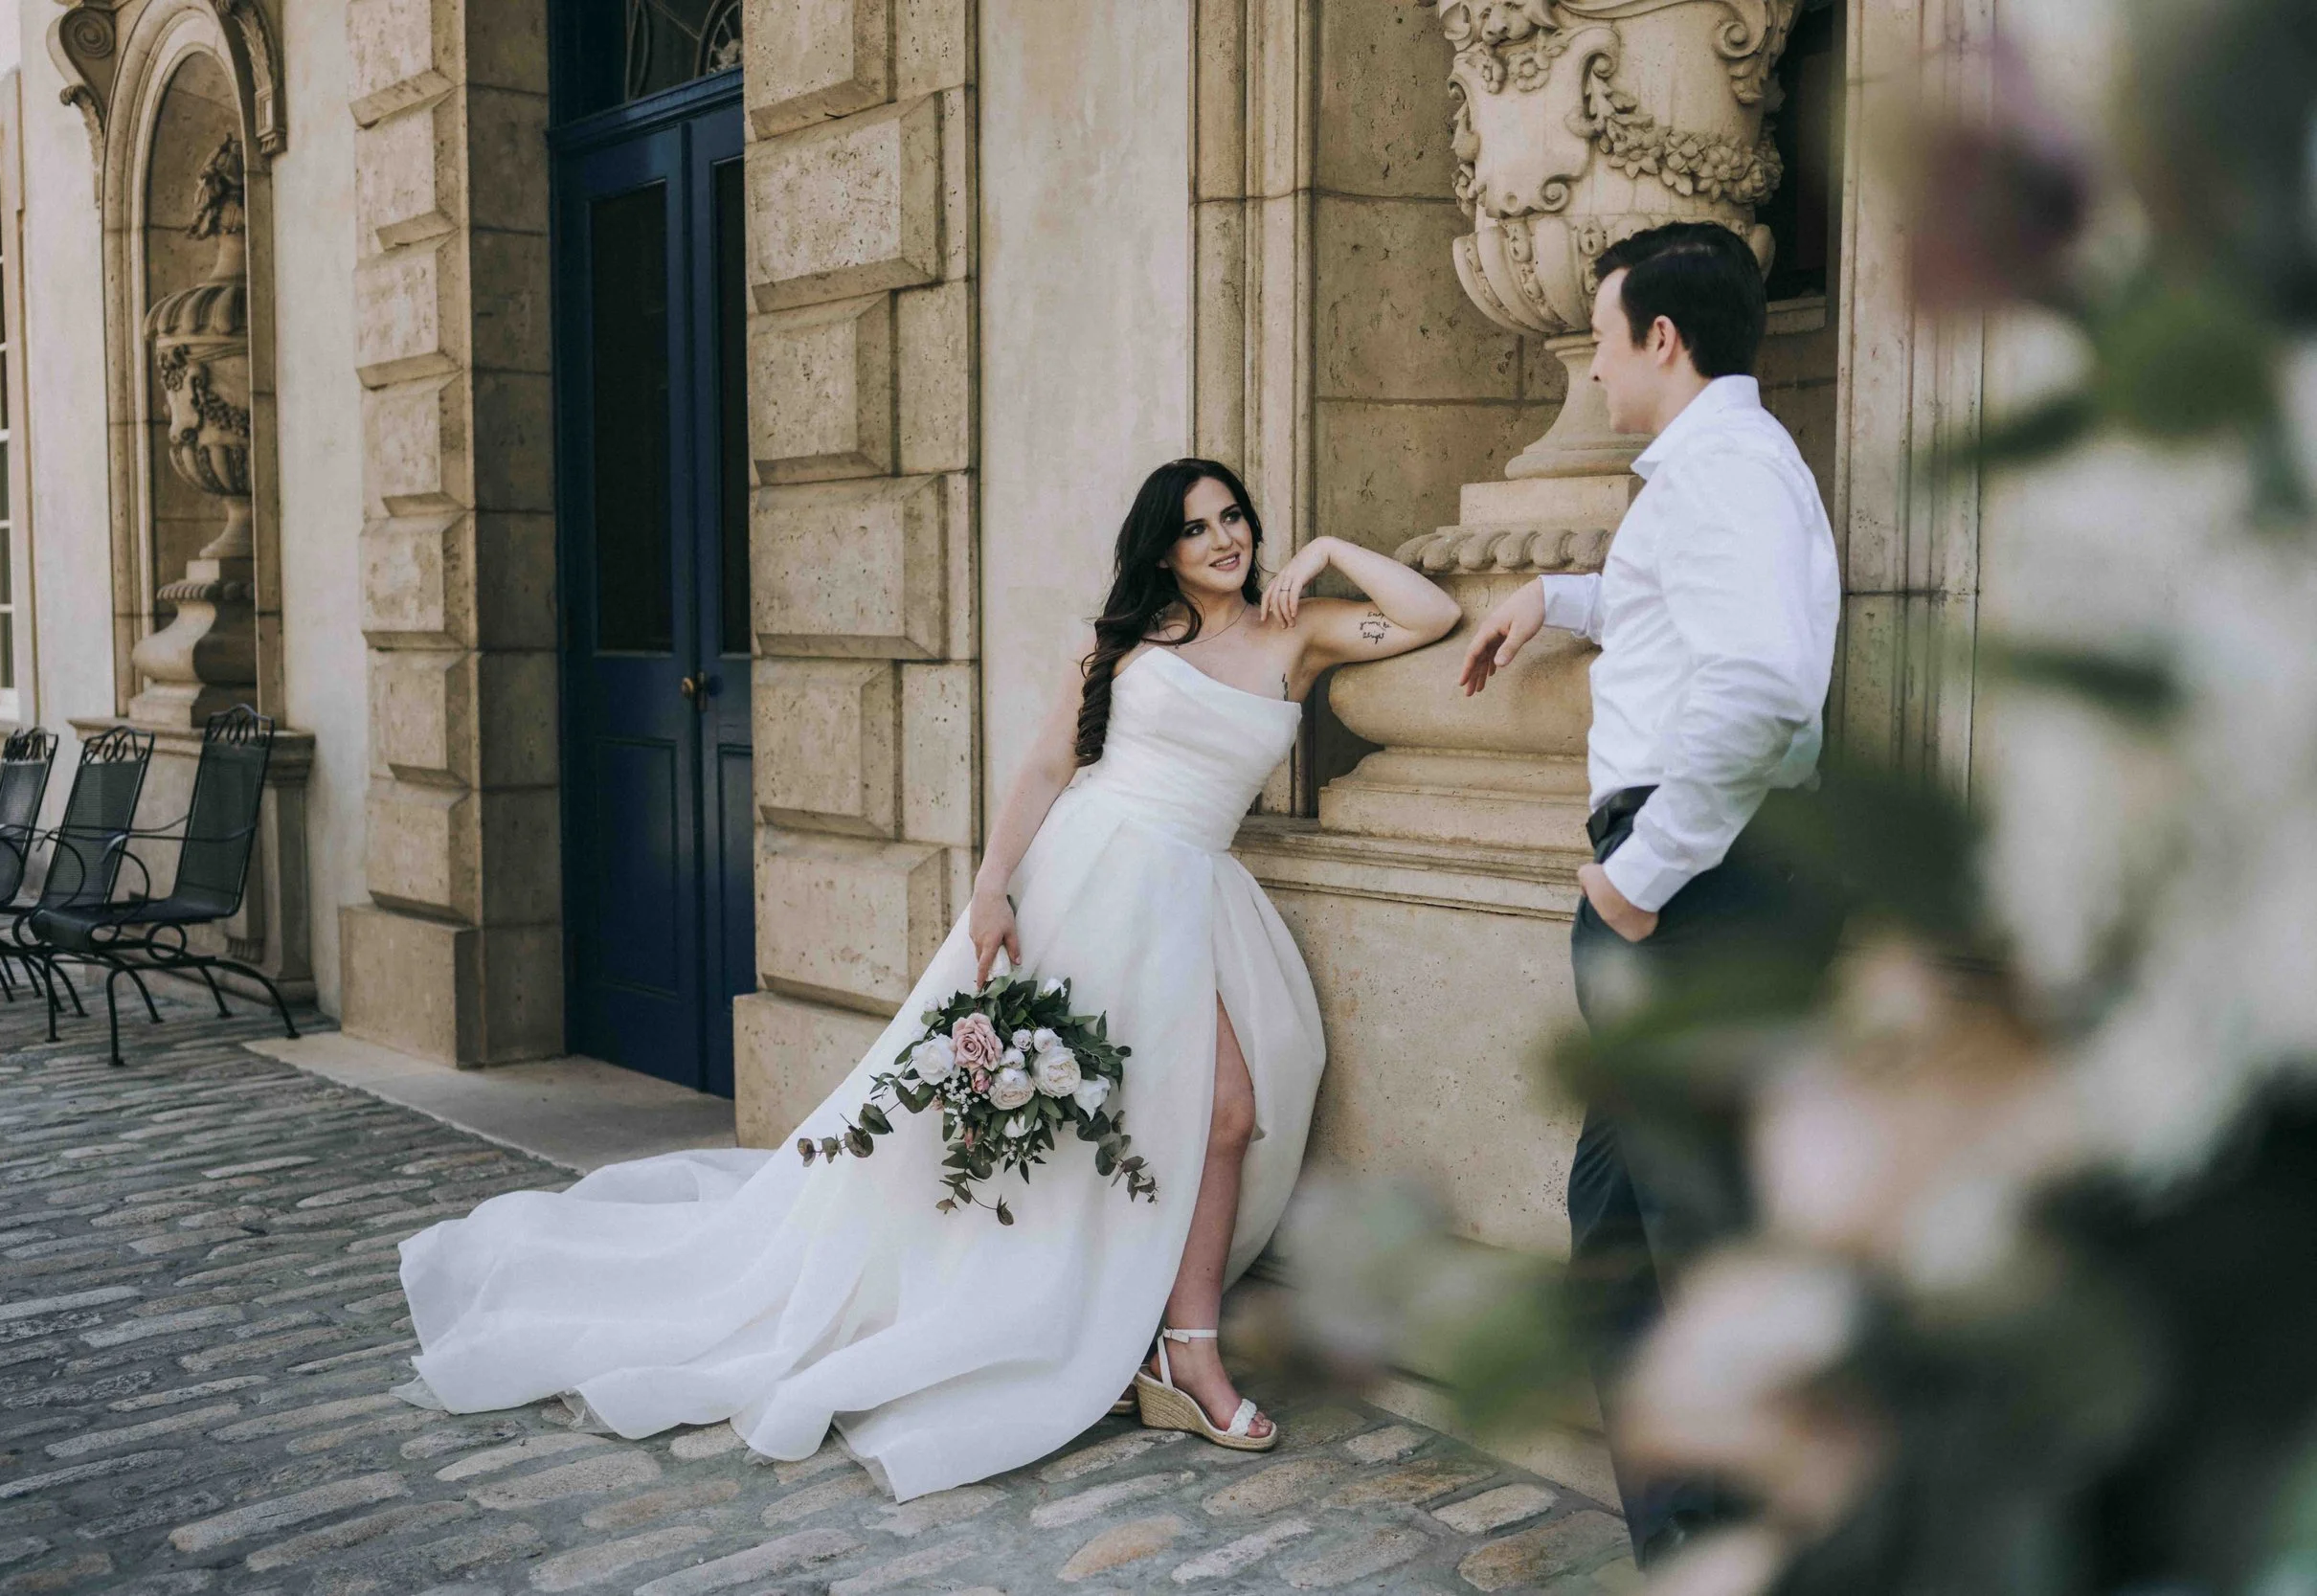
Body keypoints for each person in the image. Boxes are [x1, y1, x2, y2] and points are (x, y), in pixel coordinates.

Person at [394, 459, 1459, 1502]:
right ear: (1160, 550)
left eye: (1236, 517)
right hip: (1089, 884)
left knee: (1229, 1112)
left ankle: (1179, 1347)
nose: (1225, 539)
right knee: (1062, 1109)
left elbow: (1432, 613)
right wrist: (992, 889)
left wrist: (1322, 548)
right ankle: (1148, 1341)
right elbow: (1048, 766)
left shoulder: (1301, 629)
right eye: (1196, 527)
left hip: (1199, 895)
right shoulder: (1120, 645)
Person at [1456, 222, 1844, 1563]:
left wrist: (1638, 874)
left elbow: (1763, 687)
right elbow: (1694, 625)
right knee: (1626, 1233)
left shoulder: (1722, 470)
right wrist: (1559, 596)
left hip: (1688, 888)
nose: (1597, 364)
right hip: (1698, 883)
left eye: (1605, 334)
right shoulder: (1714, 470)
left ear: (1660, 339)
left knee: (1680, 1250)